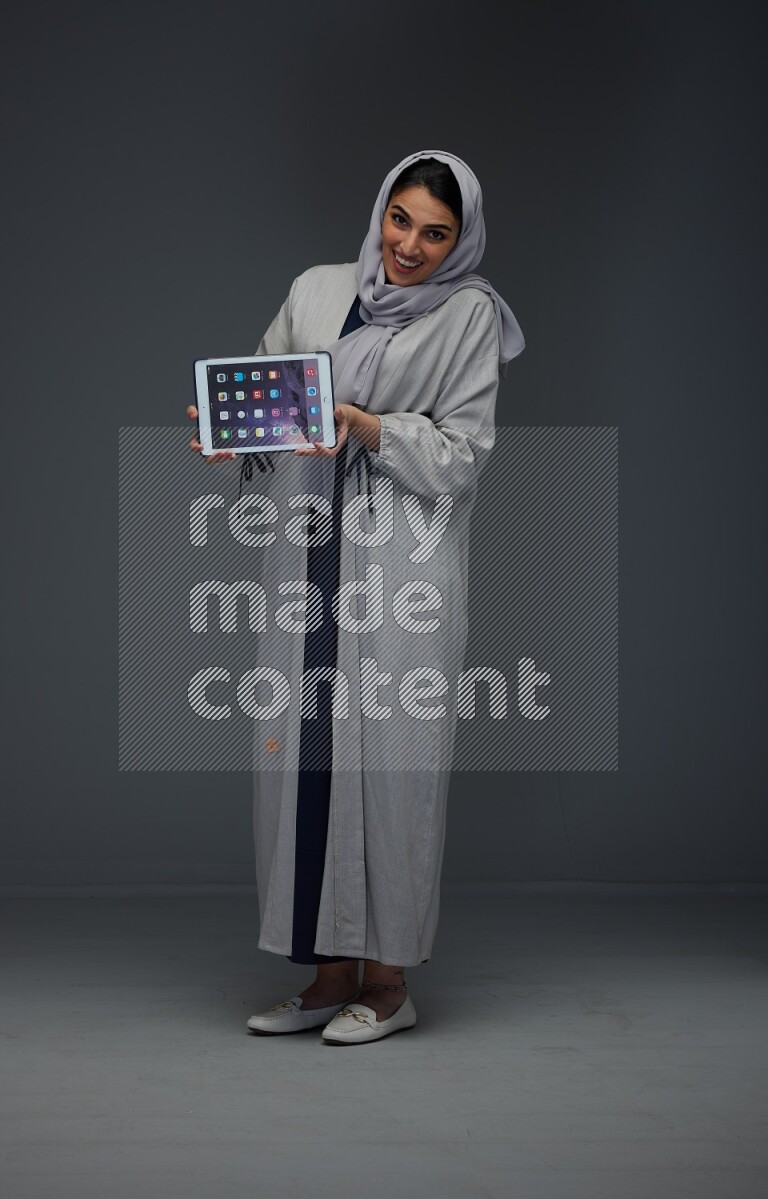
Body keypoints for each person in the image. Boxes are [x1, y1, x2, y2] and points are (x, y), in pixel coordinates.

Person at [187, 149, 524, 1044]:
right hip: (308, 558)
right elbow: (270, 387)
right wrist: (232, 433)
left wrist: (374, 428)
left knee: (393, 767)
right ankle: (329, 975)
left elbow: (465, 452)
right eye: (401, 219)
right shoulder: (318, 288)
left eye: (436, 232)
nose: (410, 244)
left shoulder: (469, 317)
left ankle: (388, 983)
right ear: (381, 208)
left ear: (463, 239)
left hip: (401, 567)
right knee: (304, 761)